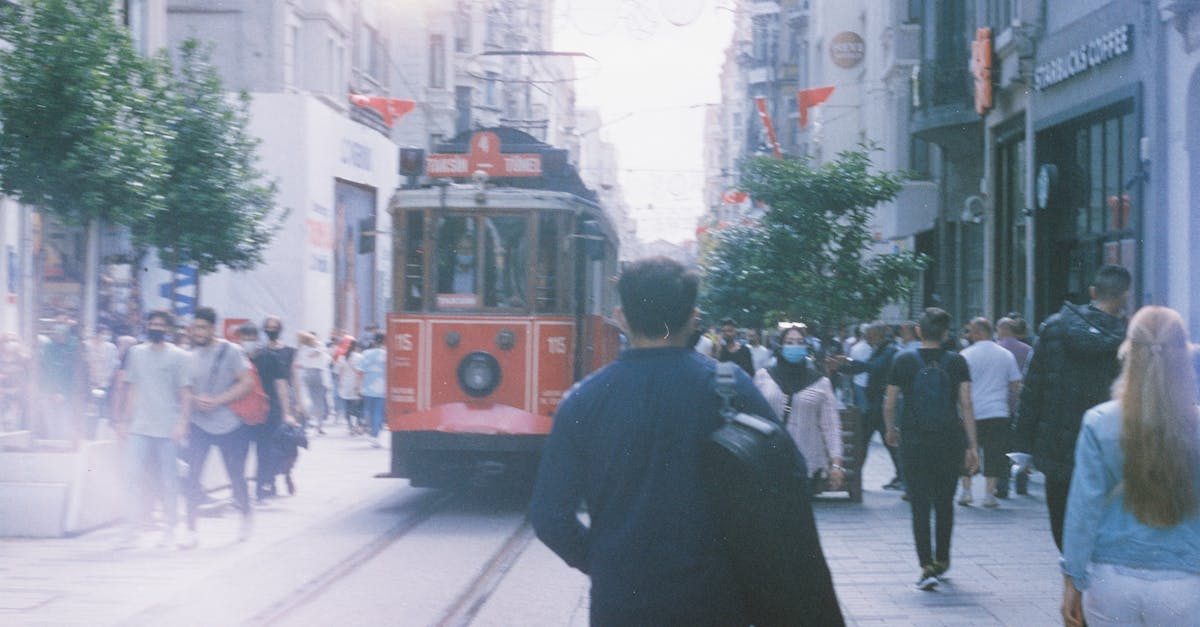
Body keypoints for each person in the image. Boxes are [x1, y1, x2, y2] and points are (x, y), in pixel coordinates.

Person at [530, 257, 780, 625]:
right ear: (693, 317)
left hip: (622, 603)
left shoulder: (584, 400)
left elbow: (549, 516)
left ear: (621, 316)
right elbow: (784, 481)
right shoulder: (731, 387)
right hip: (715, 600)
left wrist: (602, 563)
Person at [1060, 306, 1200, 627]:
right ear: (1184, 355)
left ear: (1128, 352)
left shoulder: (1098, 422)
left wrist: (1073, 581)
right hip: (1186, 580)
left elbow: (1083, 510)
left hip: (1110, 581)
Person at [1013, 264, 1131, 552]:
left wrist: (1023, 448)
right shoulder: (1131, 339)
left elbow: (1033, 390)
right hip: (1111, 450)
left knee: (1063, 524)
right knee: (1108, 523)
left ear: (1092, 292)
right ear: (1126, 296)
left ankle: (1072, 579)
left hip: (1058, 450)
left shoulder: (1054, 328)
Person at [884, 307, 979, 590]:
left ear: (917, 332)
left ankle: (925, 564)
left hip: (914, 442)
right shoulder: (957, 361)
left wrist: (891, 428)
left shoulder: (903, 361)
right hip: (949, 440)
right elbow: (966, 404)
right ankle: (943, 559)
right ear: (946, 334)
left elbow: (889, 403)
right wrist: (972, 445)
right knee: (944, 503)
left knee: (920, 504)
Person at [114, 310, 190, 548]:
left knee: (169, 480)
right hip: (139, 426)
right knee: (131, 476)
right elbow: (131, 388)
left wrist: (182, 423)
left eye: (160, 324)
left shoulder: (180, 356)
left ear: (167, 329)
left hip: (168, 427)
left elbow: (185, 393)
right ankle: (131, 529)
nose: (156, 327)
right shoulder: (136, 353)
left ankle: (170, 528)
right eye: (152, 323)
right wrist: (123, 420)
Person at [181, 306, 256, 547]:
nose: (198, 332)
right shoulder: (187, 355)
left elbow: (247, 383)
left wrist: (217, 401)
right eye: (195, 328)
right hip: (198, 423)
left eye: (202, 327)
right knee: (193, 476)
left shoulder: (231, 351)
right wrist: (194, 401)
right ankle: (191, 530)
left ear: (213, 328)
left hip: (228, 424)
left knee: (235, 475)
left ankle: (246, 515)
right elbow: (182, 390)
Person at [755, 325, 844, 493]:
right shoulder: (763, 377)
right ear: (780, 346)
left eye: (800, 342)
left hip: (807, 463)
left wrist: (836, 465)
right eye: (789, 342)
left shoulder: (820, 382)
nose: (795, 346)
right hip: (770, 460)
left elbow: (831, 426)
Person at [957, 317, 1022, 508]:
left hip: (972, 412)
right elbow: (1015, 384)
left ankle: (966, 491)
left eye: (970, 331)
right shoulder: (1005, 355)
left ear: (978, 333)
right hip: (997, 411)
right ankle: (989, 495)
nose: (968, 335)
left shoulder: (965, 354)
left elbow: (960, 387)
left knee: (968, 450)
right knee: (995, 453)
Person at [834, 321, 903, 490]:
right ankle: (858, 477)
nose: (866, 339)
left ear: (878, 336)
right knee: (866, 440)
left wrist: (849, 362)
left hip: (879, 403)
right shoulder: (879, 349)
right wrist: (842, 367)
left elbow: (873, 368)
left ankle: (901, 477)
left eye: (869, 336)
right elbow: (865, 368)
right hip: (874, 403)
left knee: (875, 440)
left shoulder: (889, 350)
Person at [250, 316, 298, 500]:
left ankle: (278, 477)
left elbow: (287, 382)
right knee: (264, 446)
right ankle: (265, 483)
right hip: (258, 405)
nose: (271, 330)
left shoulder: (287, 352)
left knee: (279, 446)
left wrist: (292, 408)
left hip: (277, 406)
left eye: (274, 327)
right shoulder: (256, 354)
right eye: (268, 327)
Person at [294, 332, 331, 434]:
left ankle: (307, 421)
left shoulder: (302, 350)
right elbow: (326, 358)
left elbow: (298, 364)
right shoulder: (320, 347)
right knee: (319, 401)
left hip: (306, 373)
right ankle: (319, 426)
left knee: (307, 398)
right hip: (318, 374)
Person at [359, 332, 387, 448]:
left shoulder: (366, 353)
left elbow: (360, 371)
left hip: (368, 385)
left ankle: (370, 431)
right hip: (382, 386)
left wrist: (358, 385)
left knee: (368, 410)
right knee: (378, 412)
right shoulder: (386, 354)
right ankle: (375, 435)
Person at [334, 338, 364, 434]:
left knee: (347, 406)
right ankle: (357, 425)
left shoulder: (342, 357)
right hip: (356, 384)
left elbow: (338, 372)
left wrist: (340, 384)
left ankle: (350, 426)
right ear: (356, 347)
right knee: (357, 406)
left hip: (345, 385)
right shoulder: (360, 357)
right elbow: (361, 372)